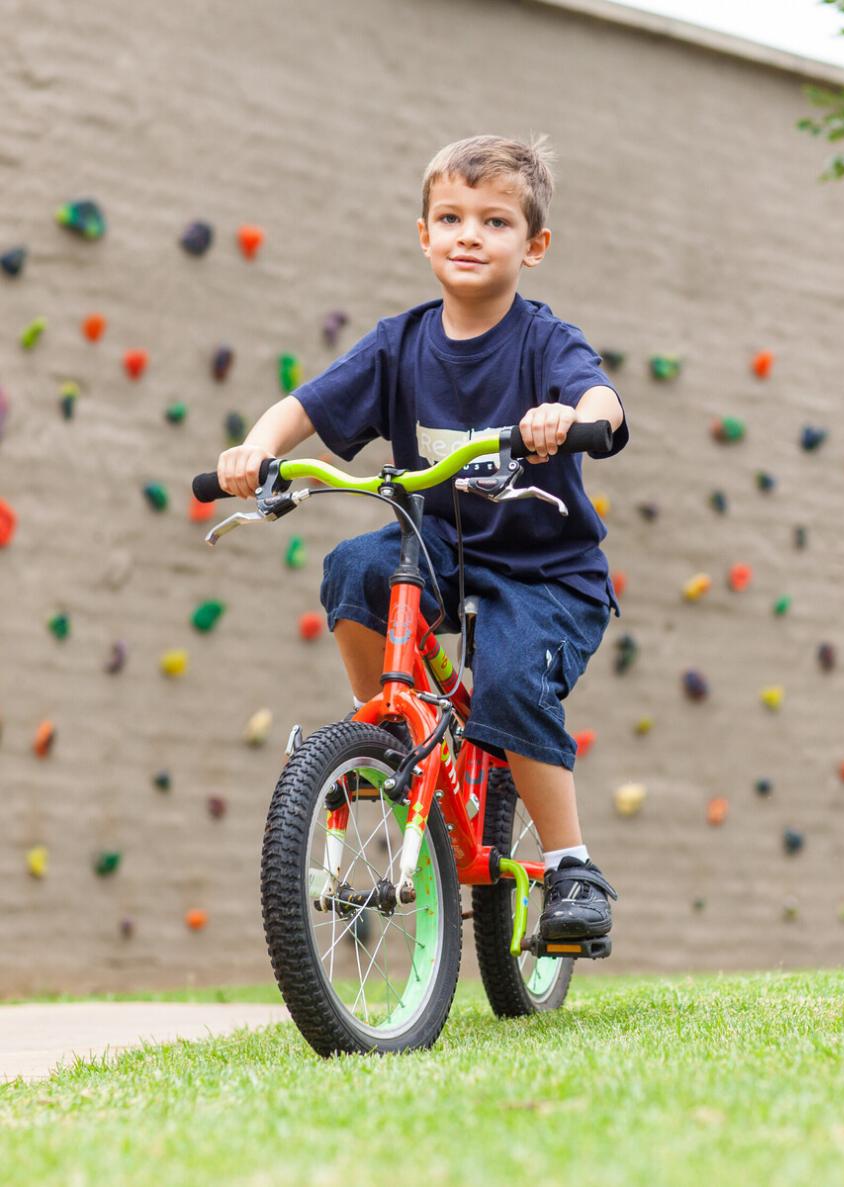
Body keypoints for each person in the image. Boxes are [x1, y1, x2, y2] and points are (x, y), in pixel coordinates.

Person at [216, 135, 629, 942]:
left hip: (549, 573)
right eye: (451, 217)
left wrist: (571, 419)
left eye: (495, 221)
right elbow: (301, 405)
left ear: (533, 246)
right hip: (440, 548)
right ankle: (392, 729)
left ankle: (574, 867)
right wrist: (256, 449)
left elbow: (604, 402)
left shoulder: (544, 341)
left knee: (509, 679)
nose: (469, 234)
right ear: (424, 234)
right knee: (356, 566)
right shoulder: (398, 344)